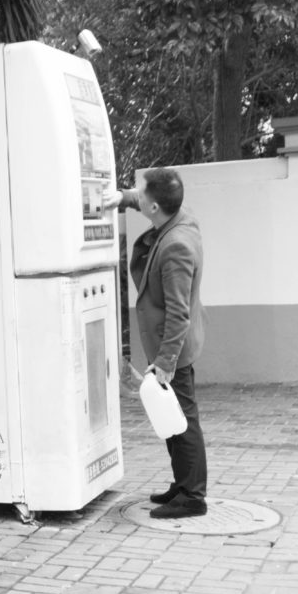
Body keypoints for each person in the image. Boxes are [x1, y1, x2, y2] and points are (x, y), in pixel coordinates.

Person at [105, 168, 208, 519]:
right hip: (170, 345)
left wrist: (165, 364)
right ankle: (181, 486)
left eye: (140, 194)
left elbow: (179, 314)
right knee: (171, 418)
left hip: (173, 349)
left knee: (183, 421)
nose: (137, 194)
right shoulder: (179, 217)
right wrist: (123, 198)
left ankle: (193, 497)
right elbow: (147, 198)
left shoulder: (176, 246)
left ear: (154, 208)